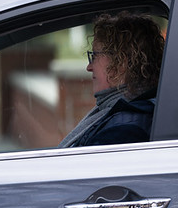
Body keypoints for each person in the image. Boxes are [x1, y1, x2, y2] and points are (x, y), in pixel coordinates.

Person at [59, 12, 164, 147]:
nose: (89, 67)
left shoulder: (123, 130)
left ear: (121, 63)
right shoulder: (128, 115)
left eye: (94, 56)